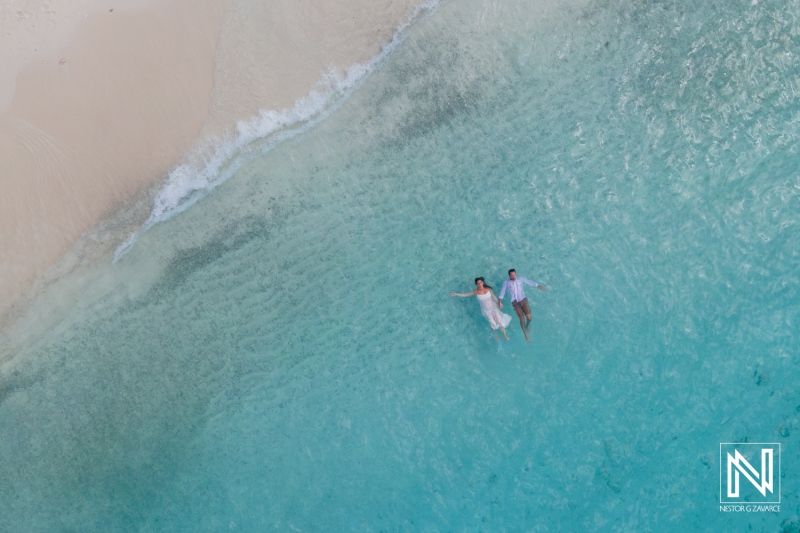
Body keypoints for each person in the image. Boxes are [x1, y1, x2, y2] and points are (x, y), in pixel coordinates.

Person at [498, 269, 547, 342]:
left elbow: (529, 282)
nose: (513, 277)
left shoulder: (520, 279)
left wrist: (539, 286)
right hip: (515, 303)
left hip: (523, 300)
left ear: (516, 274)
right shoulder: (506, 282)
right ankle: (526, 335)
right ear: (509, 275)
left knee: (529, 317)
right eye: (512, 275)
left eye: (514, 275)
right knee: (522, 319)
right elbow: (502, 291)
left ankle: (527, 325)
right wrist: (500, 301)